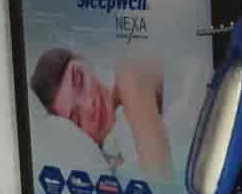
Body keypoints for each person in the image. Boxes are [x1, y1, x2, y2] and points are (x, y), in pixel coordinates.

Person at [29, 48, 174, 179]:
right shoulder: (106, 160)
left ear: (83, 61)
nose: (89, 106)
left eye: (80, 80)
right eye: (76, 120)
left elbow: (162, 185)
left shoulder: (130, 72)